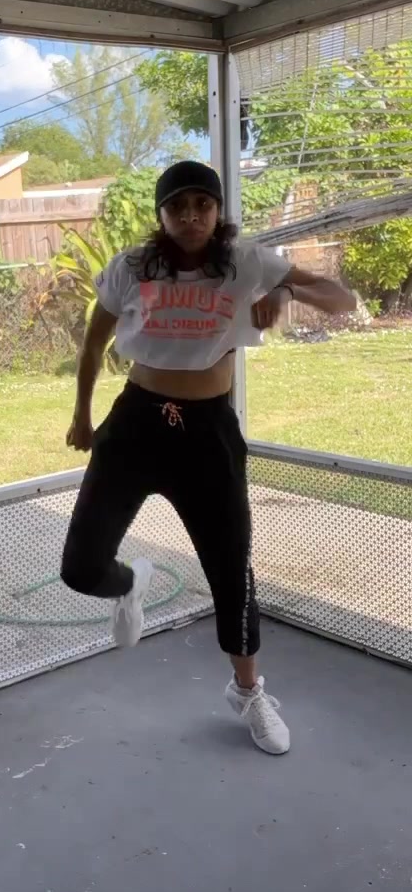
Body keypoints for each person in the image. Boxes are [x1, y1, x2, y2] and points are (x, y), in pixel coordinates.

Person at [60, 160, 356, 755]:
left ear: (218, 211)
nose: (190, 216)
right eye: (177, 206)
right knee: (80, 569)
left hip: (207, 434)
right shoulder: (133, 267)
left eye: (202, 204)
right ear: (161, 214)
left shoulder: (246, 262)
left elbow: (341, 298)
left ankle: (247, 692)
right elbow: (93, 344)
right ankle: (129, 584)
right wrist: (82, 415)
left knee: (230, 570)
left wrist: (285, 289)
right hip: (137, 423)